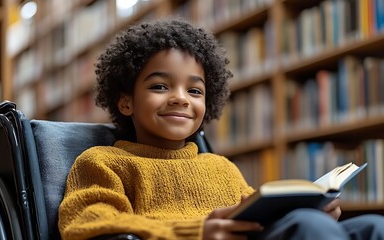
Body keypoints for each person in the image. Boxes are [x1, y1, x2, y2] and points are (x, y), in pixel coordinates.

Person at [58, 18, 384, 240]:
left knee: (372, 227)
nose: (180, 99)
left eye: (195, 91)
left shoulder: (221, 167)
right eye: (160, 86)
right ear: (126, 101)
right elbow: (86, 223)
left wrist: (312, 212)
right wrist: (195, 232)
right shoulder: (102, 162)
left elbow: (256, 220)